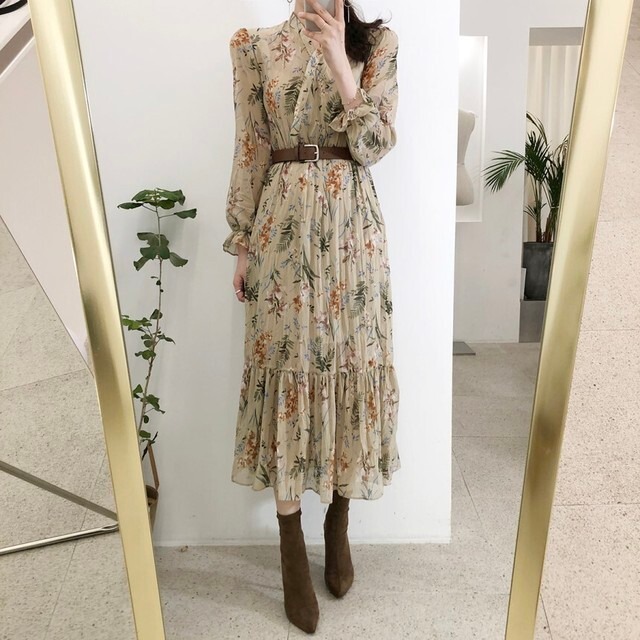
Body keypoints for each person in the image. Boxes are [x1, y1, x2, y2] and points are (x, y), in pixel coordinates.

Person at [223, 0, 400, 633]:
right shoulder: (254, 46)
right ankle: (291, 544)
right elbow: (250, 147)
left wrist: (340, 63)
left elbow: (375, 144)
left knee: (353, 367)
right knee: (287, 375)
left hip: (354, 235)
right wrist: (242, 244)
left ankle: (339, 518)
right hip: (281, 232)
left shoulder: (377, 43)